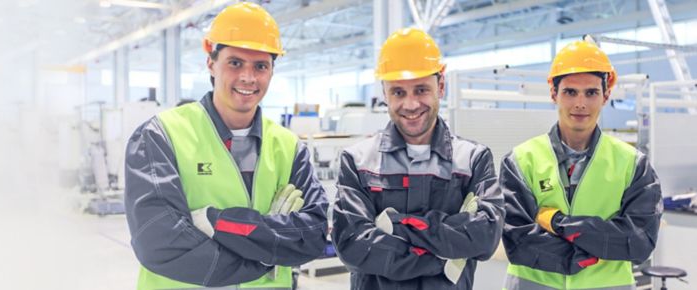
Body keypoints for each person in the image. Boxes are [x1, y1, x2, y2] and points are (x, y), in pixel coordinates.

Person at [123, 2, 328, 289]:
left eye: (260, 66)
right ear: (211, 62)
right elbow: (160, 242)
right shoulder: (160, 136)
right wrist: (267, 255)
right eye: (235, 63)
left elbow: (314, 234)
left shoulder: (289, 147)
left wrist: (215, 223)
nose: (248, 77)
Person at [331, 27, 505, 289]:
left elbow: (485, 238)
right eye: (399, 92)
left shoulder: (473, 159)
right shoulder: (357, 161)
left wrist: (395, 226)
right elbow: (353, 247)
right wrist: (444, 258)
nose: (411, 104)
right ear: (385, 92)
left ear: (441, 86)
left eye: (421, 90)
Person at [501, 39, 663, 290]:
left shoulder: (633, 164)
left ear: (606, 95)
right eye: (570, 92)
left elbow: (639, 241)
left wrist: (557, 222)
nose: (580, 103)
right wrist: (583, 254)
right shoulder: (521, 160)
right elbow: (518, 240)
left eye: (591, 92)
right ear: (554, 93)